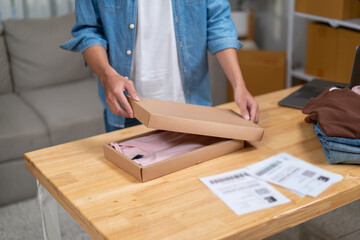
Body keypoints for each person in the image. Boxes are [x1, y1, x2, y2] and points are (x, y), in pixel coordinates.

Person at [61, 0, 259, 132]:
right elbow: (88, 30)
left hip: (192, 106)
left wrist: (239, 85)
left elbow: (218, 22)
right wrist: (107, 75)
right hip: (129, 110)